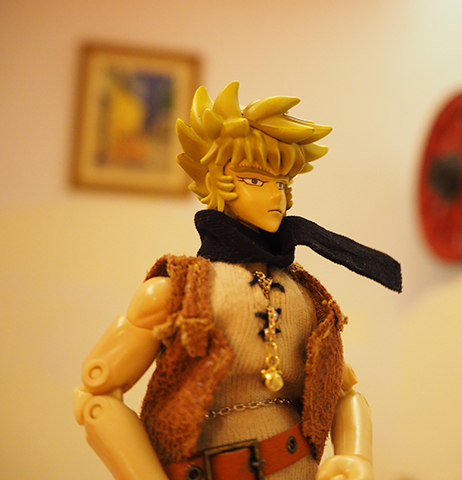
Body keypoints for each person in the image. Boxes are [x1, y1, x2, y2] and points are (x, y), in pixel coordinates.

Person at [73, 81, 401, 480]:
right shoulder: (178, 292)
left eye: (282, 184)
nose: (276, 196)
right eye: (256, 180)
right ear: (217, 181)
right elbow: (97, 396)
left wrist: (356, 456)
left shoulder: (305, 296)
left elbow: (342, 390)